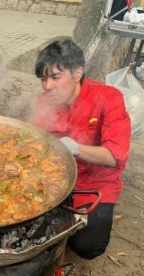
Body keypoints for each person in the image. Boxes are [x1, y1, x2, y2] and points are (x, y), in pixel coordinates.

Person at [31, 39, 131, 260]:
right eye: (43, 79)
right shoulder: (45, 101)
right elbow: (37, 144)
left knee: (87, 246)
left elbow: (116, 156)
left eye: (55, 77)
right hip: (54, 180)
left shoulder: (109, 98)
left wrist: (75, 148)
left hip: (95, 184)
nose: (48, 86)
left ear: (77, 73)